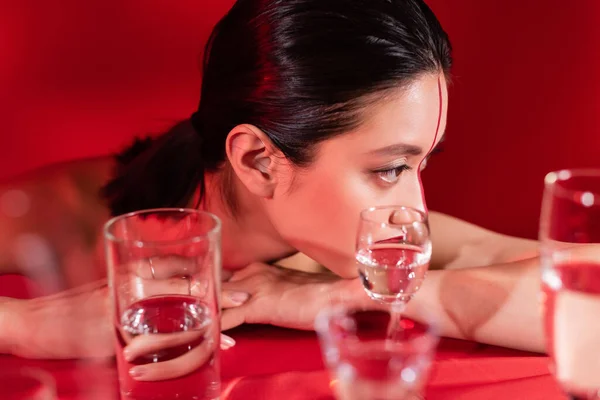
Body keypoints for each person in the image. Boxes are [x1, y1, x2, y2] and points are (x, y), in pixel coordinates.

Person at [0, 0, 544, 382]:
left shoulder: (371, 256)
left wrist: (329, 298)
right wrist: (22, 325)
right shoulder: (64, 215)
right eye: (390, 168)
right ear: (259, 161)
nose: (416, 211)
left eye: (419, 164)